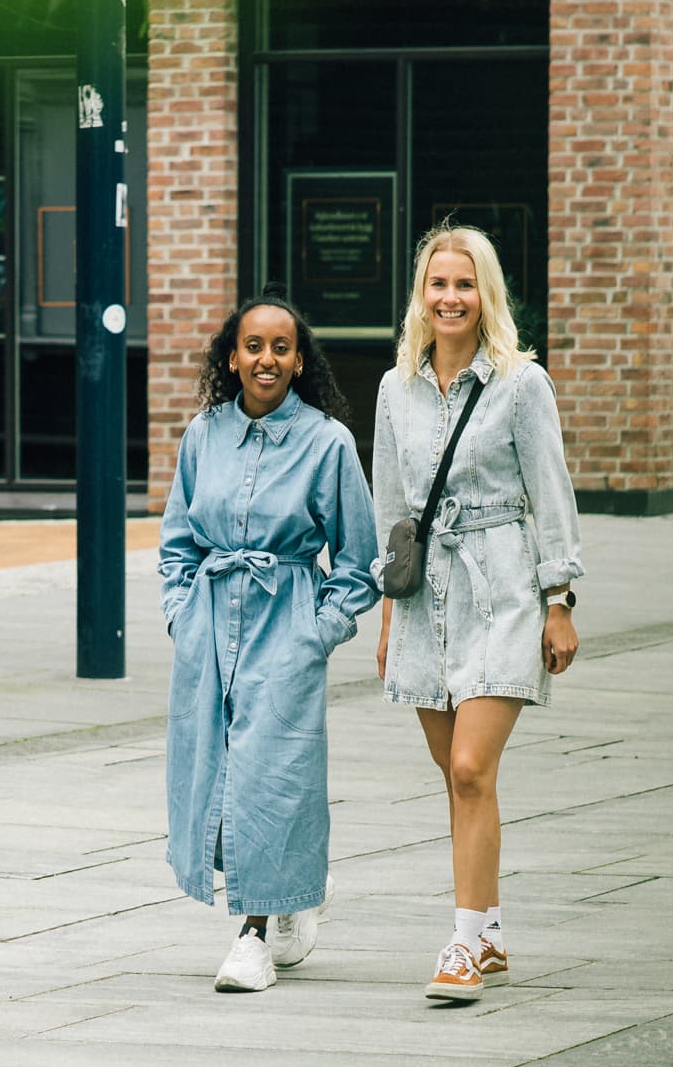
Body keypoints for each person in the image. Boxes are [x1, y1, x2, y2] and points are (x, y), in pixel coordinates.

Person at [371, 226, 583, 1005]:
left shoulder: (521, 384)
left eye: (464, 284)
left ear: (485, 293)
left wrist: (559, 602)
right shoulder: (396, 390)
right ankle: (490, 930)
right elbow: (390, 508)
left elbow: (551, 495)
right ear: (420, 297)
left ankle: (461, 945)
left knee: (470, 768)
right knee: (458, 778)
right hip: (426, 599)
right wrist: (390, 614)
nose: (450, 298)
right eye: (438, 285)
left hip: (503, 589)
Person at [160, 296, 380, 994]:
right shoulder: (203, 436)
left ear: (299, 361)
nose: (266, 358)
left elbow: (359, 560)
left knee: (268, 776)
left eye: (281, 347)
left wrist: (314, 634)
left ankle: (252, 934)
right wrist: (181, 615)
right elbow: (176, 543)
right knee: (210, 778)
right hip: (208, 629)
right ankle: (295, 887)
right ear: (232, 356)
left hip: (284, 627)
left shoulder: (328, 443)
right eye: (253, 345)